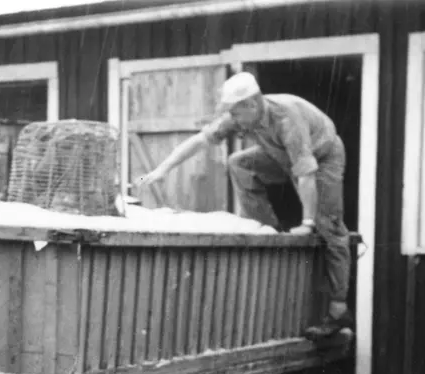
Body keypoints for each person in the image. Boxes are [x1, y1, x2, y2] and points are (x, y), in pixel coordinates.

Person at [135, 71, 353, 339]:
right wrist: (160, 170)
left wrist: (308, 224)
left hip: (323, 155)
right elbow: (200, 141)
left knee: (329, 226)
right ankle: (266, 228)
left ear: (252, 104)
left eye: (236, 113)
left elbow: (306, 174)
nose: (233, 120)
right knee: (239, 163)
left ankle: (338, 310)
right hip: (280, 153)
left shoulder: (287, 119)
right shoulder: (244, 115)